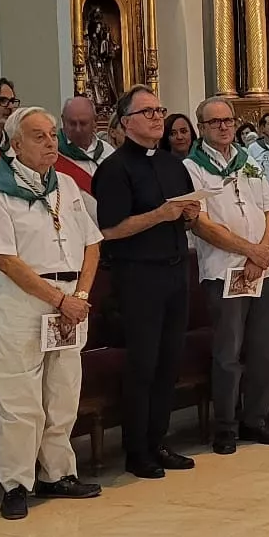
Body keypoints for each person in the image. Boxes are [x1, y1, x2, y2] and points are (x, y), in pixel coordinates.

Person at [0, 105, 104, 520]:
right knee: (20, 398)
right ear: (16, 144)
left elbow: (92, 243)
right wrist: (59, 300)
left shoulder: (65, 184)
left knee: (63, 390)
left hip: (71, 298)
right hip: (22, 300)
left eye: (53, 134)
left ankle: (58, 473)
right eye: (40, 136)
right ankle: (16, 483)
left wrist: (81, 294)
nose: (51, 142)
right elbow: (6, 260)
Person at [94, 85, 202, 478]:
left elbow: (185, 213)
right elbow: (110, 230)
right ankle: (137, 450)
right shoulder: (115, 169)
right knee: (143, 365)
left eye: (160, 110)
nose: (158, 117)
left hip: (175, 271)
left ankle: (159, 441)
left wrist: (189, 213)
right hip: (138, 275)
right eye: (148, 112)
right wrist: (160, 214)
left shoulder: (174, 164)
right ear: (126, 123)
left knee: (170, 362)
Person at [186, 96, 269, 453]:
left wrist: (261, 253)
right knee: (228, 352)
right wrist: (249, 251)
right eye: (215, 122)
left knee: (264, 347)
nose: (224, 126)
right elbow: (200, 224)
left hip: (266, 268)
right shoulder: (192, 168)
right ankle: (226, 426)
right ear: (202, 127)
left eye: (228, 120)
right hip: (223, 271)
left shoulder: (250, 163)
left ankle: (256, 420)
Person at [55, 96, 110, 214]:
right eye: (72, 123)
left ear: (95, 121)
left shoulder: (108, 152)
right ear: (63, 121)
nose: (78, 129)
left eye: (83, 123)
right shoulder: (53, 155)